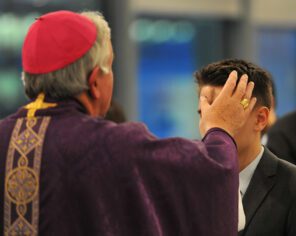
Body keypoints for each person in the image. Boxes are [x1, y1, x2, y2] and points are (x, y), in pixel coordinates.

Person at [0, 11, 255, 235]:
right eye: (110, 68)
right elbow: (207, 173)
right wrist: (220, 128)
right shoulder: (111, 146)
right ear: (95, 83)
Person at [195, 59, 296, 236]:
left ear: (260, 119)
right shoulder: (188, 184)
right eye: (203, 114)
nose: (209, 126)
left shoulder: (294, 187)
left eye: (224, 114)